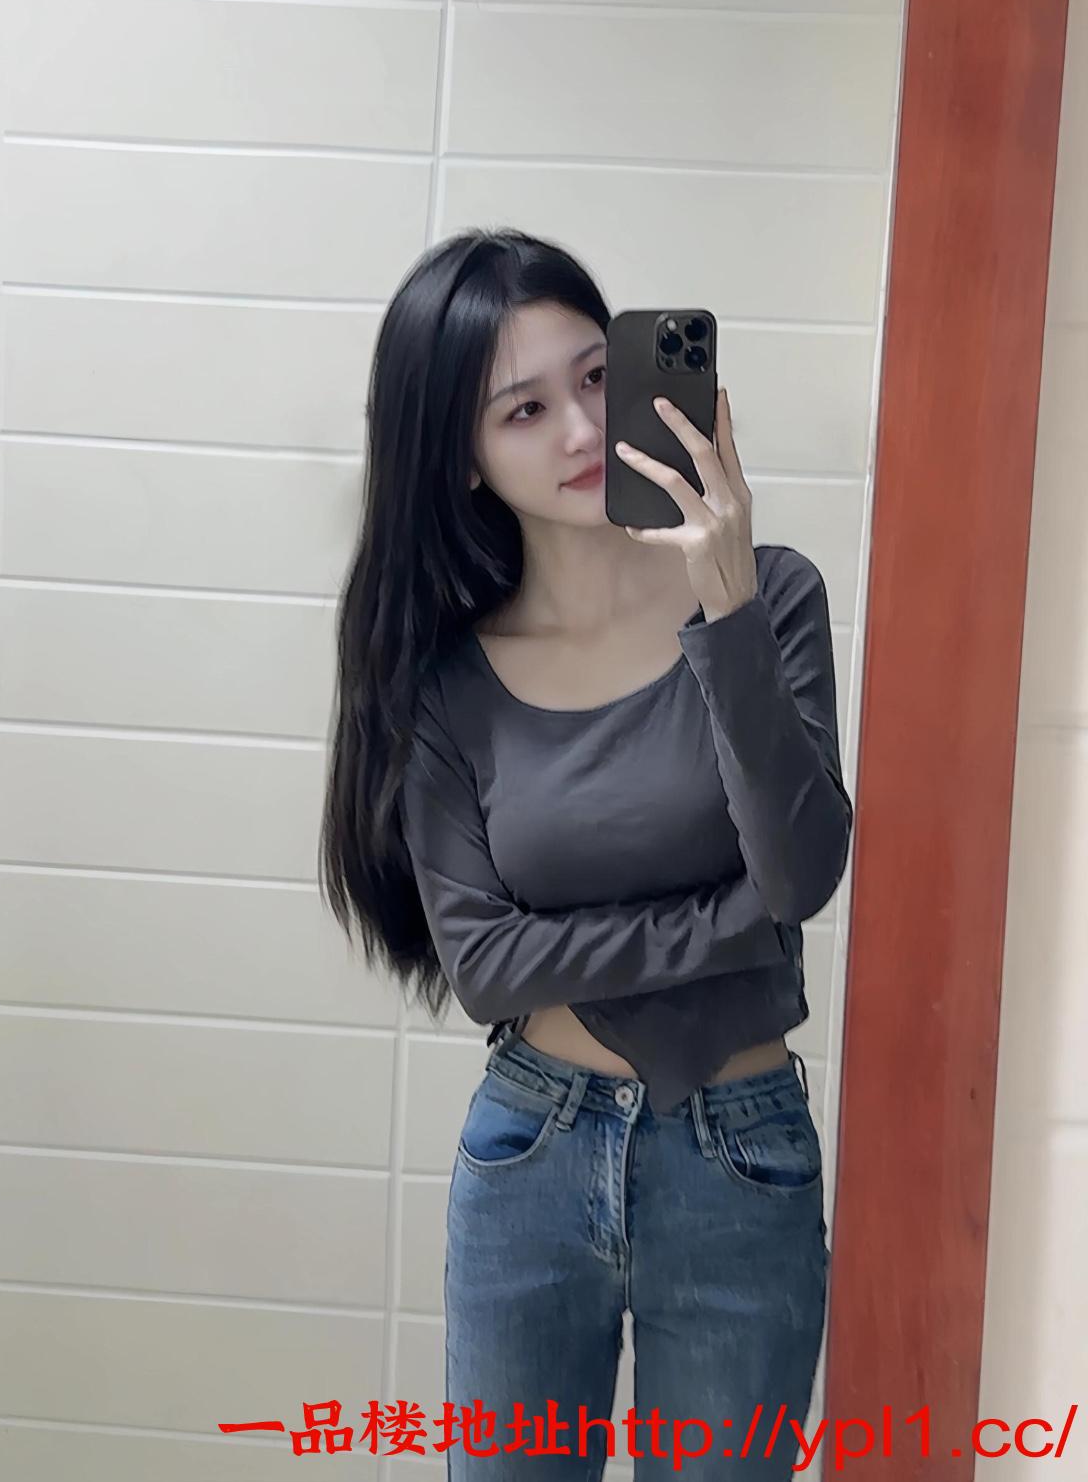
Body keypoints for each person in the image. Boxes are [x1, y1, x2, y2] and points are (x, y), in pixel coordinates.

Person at [319, 228, 853, 1479]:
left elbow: (800, 875)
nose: (581, 428)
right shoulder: (446, 682)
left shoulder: (772, 598)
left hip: (741, 1153)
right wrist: (730, 924)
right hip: (531, 1154)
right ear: (462, 456)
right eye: (524, 408)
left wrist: (723, 603)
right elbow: (490, 969)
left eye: (598, 377)